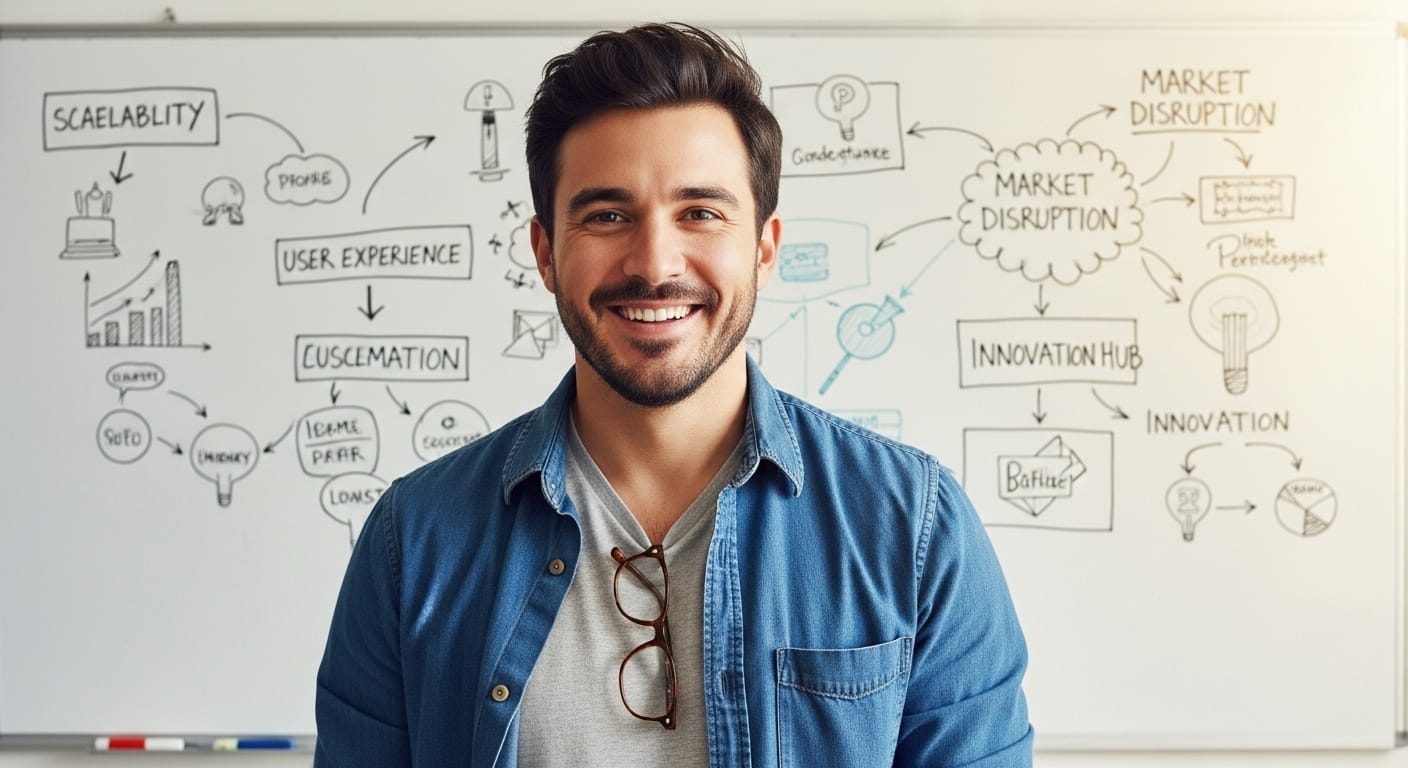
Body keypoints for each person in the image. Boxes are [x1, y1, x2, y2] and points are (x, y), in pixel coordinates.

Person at [315, 22, 1032, 767]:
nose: (655, 263)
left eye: (700, 213)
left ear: (763, 247)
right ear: (544, 252)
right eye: (607, 215)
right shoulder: (415, 539)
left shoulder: (914, 528)